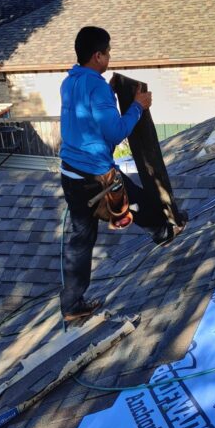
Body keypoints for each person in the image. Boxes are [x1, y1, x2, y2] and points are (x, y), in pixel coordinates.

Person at [59, 25, 179, 323]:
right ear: (98, 55)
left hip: (69, 173)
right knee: (134, 201)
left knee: (81, 238)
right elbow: (115, 131)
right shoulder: (97, 87)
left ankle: (72, 304)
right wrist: (137, 107)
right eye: (108, 51)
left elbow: (88, 111)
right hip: (95, 175)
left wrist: (109, 94)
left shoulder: (70, 82)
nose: (110, 56)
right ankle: (163, 232)